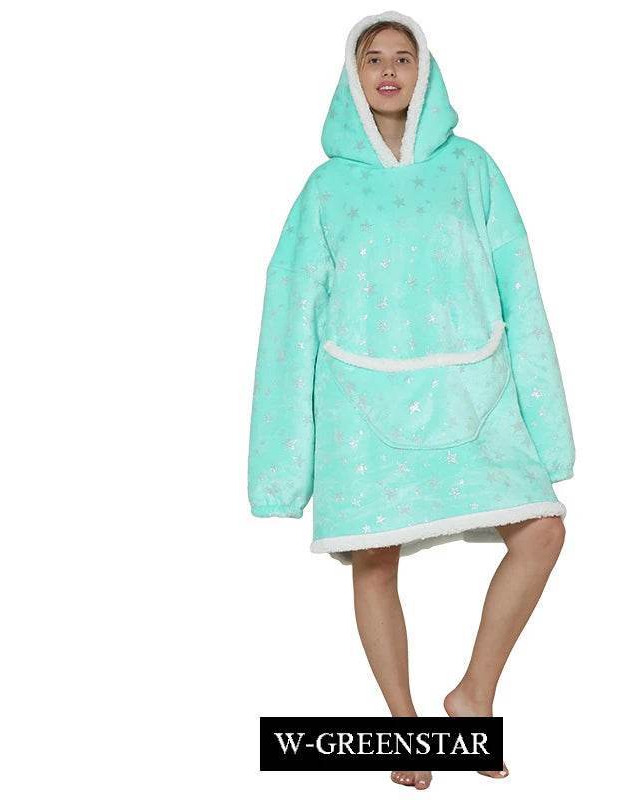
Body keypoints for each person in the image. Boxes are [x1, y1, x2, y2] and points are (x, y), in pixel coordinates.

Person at [247, 9, 575, 790]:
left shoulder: (473, 168)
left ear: (427, 73)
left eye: (404, 57)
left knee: (542, 532)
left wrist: (548, 428)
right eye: (373, 58)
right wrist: (281, 469)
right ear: (352, 76)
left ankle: (473, 695)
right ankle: (404, 726)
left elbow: (522, 292)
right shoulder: (325, 189)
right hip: (360, 401)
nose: (389, 69)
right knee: (374, 557)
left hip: (474, 392)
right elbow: (289, 317)